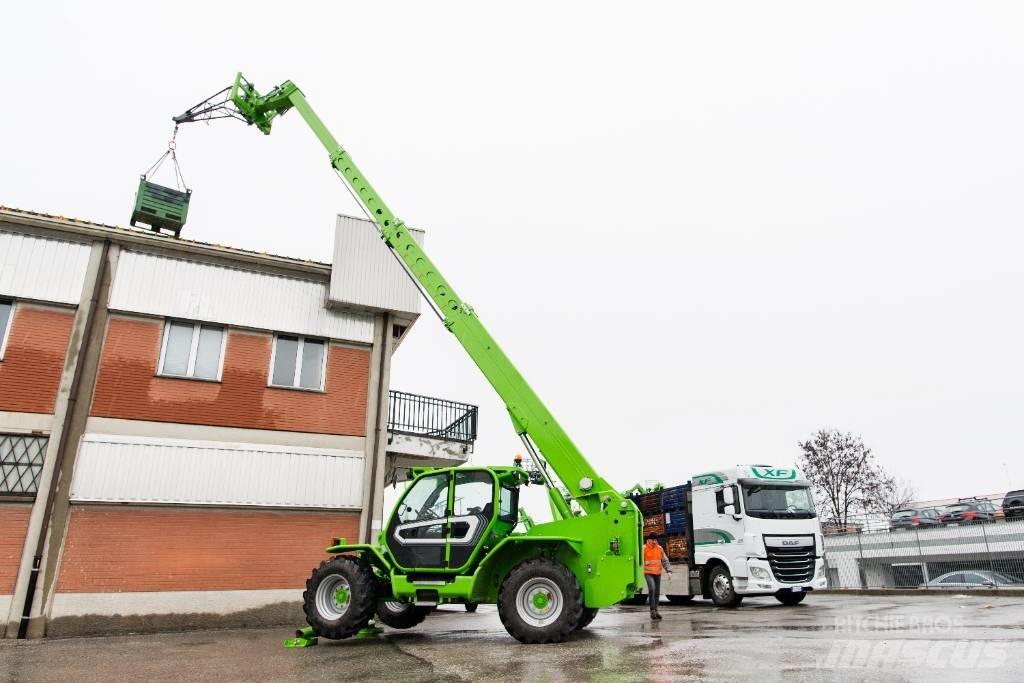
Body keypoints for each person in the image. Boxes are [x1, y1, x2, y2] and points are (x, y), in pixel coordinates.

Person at [644, 534, 672, 619]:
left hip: (657, 573)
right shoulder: (644, 548)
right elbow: (639, 561)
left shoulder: (659, 548)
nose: (654, 541)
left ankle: (656, 610)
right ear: (648, 540)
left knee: (657, 592)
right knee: (652, 589)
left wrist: (669, 571)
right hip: (648, 573)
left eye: (655, 539)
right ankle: (652, 610)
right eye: (652, 539)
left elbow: (665, 560)